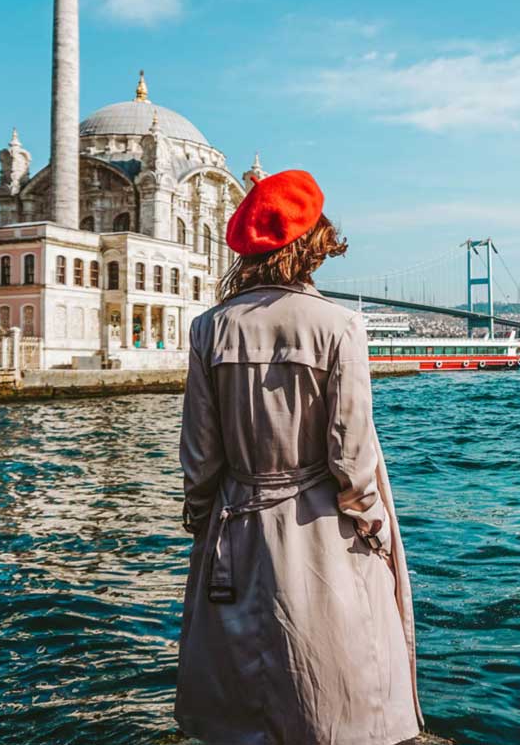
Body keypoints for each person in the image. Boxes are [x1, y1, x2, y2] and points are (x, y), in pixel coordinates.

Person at [176, 170, 421, 744]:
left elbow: (200, 456)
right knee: (334, 676)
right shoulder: (340, 326)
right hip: (321, 527)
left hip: (235, 521)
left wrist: (202, 522)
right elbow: (351, 453)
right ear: (311, 246)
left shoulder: (208, 329)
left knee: (239, 685)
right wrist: (373, 527)